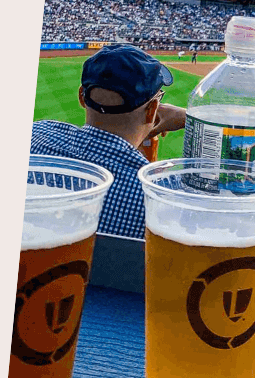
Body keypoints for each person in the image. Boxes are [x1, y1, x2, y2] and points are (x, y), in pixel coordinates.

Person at [30, 44, 186, 239]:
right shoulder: (158, 197)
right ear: (152, 109)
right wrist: (191, 119)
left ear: (82, 97)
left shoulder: (36, 134)